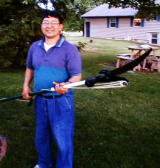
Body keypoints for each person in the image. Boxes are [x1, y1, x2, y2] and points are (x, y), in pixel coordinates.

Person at [22, 10, 82, 168]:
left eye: (54, 22)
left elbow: (77, 76)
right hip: (40, 99)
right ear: (41, 26)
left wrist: (67, 86)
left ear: (60, 27)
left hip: (61, 101)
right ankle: (43, 163)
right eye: (46, 22)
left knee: (63, 139)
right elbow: (30, 68)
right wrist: (25, 86)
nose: (49, 26)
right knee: (41, 136)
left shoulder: (70, 49)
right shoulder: (35, 47)